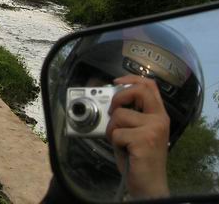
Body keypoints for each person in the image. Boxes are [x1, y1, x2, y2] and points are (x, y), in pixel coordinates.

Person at [42, 23, 204, 203]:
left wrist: (150, 192)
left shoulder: (145, 187)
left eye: (138, 110)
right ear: (73, 88)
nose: (117, 117)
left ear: (164, 134)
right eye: (107, 93)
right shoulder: (64, 179)